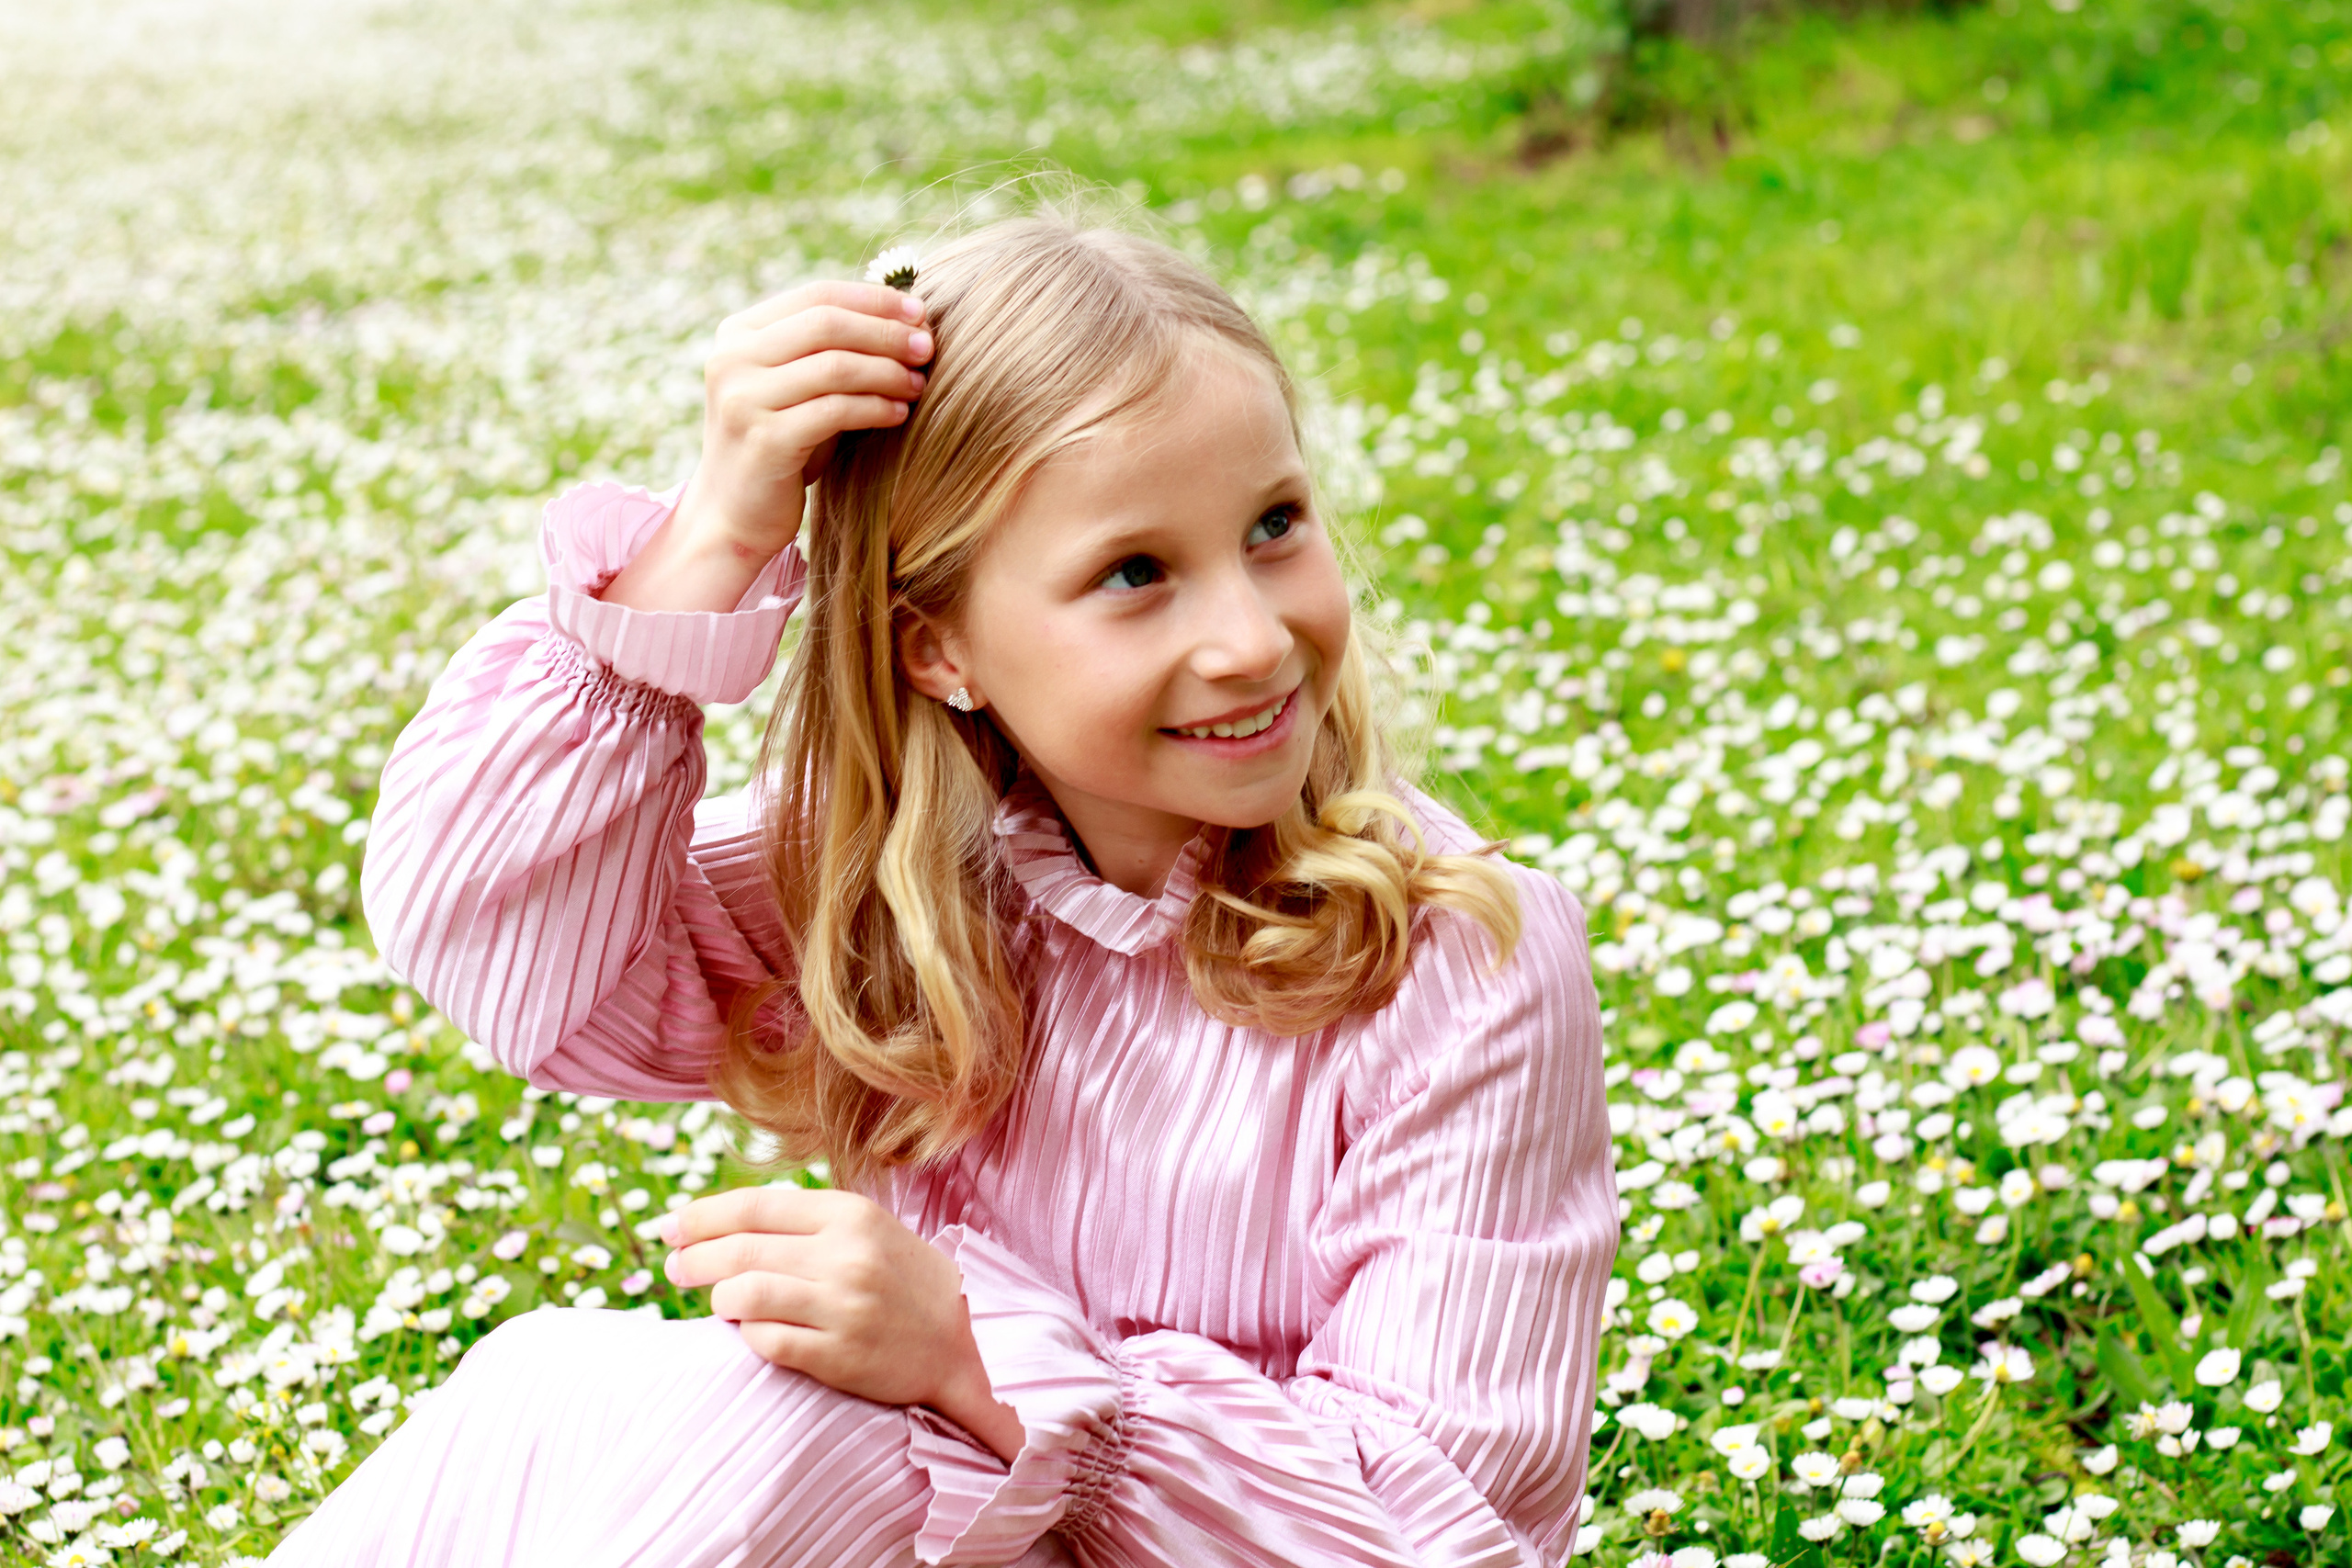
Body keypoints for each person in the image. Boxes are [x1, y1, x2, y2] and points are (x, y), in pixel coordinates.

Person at [270, 205, 1618, 1567]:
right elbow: (505, 960)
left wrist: (985, 1370)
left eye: (1275, 524)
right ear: (939, 652)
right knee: (549, 1395)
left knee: (807, 1426)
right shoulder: (897, 887)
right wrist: (707, 545)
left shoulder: (1449, 961)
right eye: (1135, 574)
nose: (1254, 638)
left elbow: (1456, 1523)